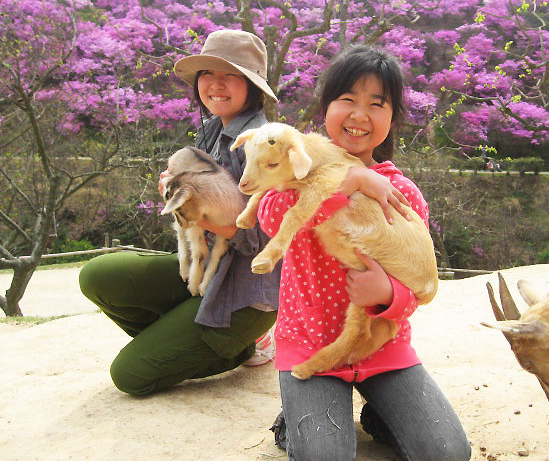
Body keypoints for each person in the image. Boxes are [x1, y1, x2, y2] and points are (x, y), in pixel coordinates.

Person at [259, 45, 471, 460]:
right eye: (348, 100)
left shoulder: (401, 192)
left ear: (392, 119)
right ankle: (297, 420)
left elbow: (420, 274)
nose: (360, 115)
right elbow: (270, 219)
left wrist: (389, 295)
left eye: (377, 104)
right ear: (326, 108)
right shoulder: (295, 172)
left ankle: (381, 416)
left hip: (381, 346)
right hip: (310, 343)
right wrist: (348, 182)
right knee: (326, 455)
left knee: (448, 453)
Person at [78, 30, 280, 395]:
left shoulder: (263, 144)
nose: (215, 84)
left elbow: (263, 243)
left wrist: (196, 208)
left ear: (252, 86)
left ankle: (244, 345)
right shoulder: (210, 130)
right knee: (97, 275)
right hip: (204, 271)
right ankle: (181, 335)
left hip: (245, 292)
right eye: (207, 73)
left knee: (131, 376)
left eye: (230, 74)